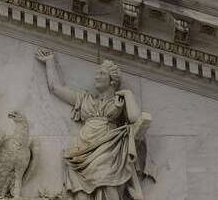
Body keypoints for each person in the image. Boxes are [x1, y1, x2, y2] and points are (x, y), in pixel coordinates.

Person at [35, 49, 152, 200]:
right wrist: (50, 62)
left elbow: (135, 118)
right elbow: (55, 88)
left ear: (112, 80)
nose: (97, 76)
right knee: (81, 195)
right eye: (97, 73)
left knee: (110, 189)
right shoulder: (85, 99)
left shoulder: (119, 101)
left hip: (108, 149)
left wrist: (128, 94)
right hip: (82, 152)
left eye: (102, 73)